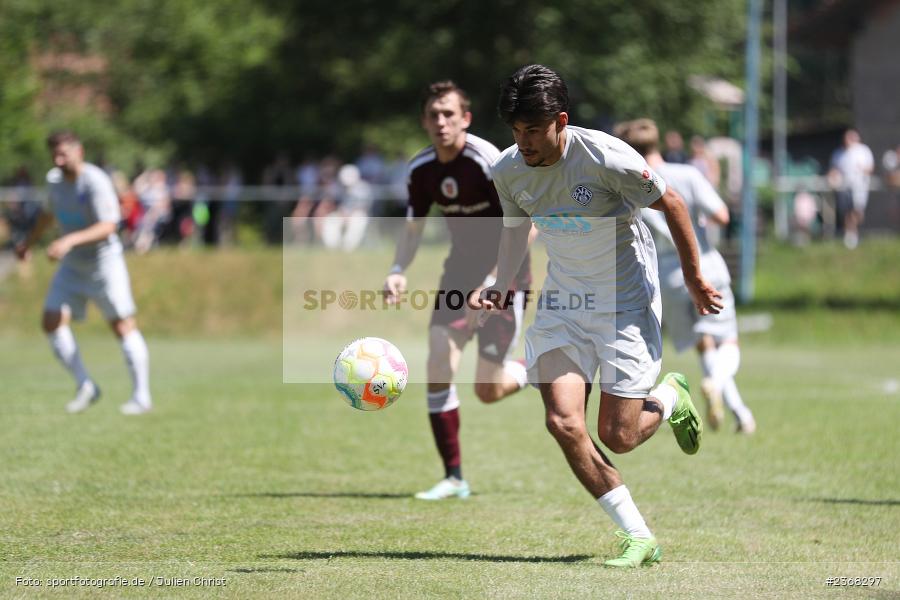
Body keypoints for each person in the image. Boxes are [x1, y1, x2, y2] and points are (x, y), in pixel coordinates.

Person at [479, 65, 722, 567]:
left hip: (624, 304)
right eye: (516, 130)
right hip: (564, 304)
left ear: (560, 121)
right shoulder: (507, 169)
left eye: (533, 130)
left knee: (619, 435)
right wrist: (500, 285)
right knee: (563, 422)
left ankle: (670, 395)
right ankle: (638, 536)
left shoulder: (605, 156)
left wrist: (696, 278)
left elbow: (672, 203)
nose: (522, 141)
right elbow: (511, 231)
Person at [383, 81, 533, 501]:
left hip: (507, 277)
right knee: (438, 361)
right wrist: (398, 269)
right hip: (458, 275)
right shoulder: (421, 169)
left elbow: (527, 225)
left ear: (465, 118)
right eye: (433, 114)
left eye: (449, 113)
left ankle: (537, 367)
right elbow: (413, 226)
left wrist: (494, 282)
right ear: (424, 121)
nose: (440, 121)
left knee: (488, 390)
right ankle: (453, 477)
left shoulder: (489, 162)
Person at [617, 118, 756, 434]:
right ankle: (715, 382)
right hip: (701, 263)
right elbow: (721, 214)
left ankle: (742, 414)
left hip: (665, 275)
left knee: (703, 344)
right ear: (658, 142)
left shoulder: (627, 186)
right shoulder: (686, 174)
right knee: (727, 339)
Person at [15, 131, 152, 415]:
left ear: (80, 151)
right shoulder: (54, 181)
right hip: (73, 264)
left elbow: (109, 226)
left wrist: (68, 240)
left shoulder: (95, 181)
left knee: (122, 325)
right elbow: (47, 214)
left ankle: (141, 397)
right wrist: (27, 243)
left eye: (64, 153)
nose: (58, 159)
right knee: (51, 321)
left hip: (104, 263)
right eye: (54, 154)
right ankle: (85, 385)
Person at [828, 129, 874, 249]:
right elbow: (834, 169)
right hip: (844, 187)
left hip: (860, 187)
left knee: (857, 211)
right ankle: (850, 235)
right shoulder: (838, 153)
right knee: (846, 211)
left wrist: (861, 169)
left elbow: (870, 168)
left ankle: (853, 232)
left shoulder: (863, 151)